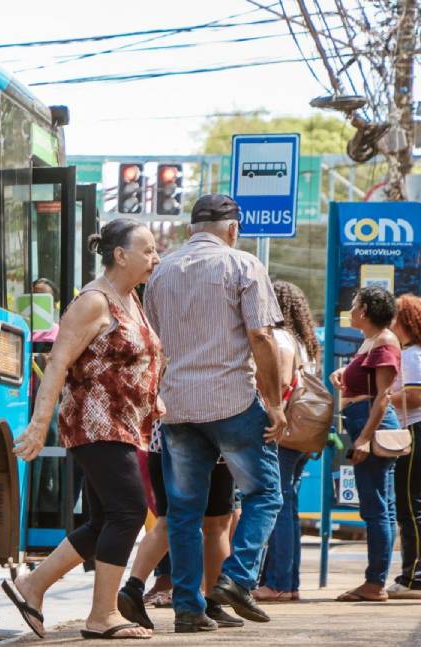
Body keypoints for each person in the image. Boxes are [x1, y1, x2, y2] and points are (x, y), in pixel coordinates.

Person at [7, 218, 162, 640]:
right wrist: (39, 426)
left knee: (102, 521)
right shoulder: (93, 302)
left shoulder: (131, 299)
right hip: (95, 424)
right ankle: (102, 615)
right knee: (128, 511)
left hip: (125, 425)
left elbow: (133, 361)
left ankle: (32, 585)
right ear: (120, 255)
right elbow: (57, 363)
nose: (155, 258)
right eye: (147, 250)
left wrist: (154, 399)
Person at [143, 194, 287, 633]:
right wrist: (276, 403)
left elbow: (155, 344)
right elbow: (261, 337)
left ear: (191, 228)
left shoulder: (161, 271)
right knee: (266, 494)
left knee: (184, 512)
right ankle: (237, 580)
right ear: (233, 229)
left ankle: (188, 608)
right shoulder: (243, 265)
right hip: (231, 402)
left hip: (179, 408)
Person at [119, 422, 242, 629]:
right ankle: (211, 603)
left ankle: (132, 589)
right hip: (213, 441)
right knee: (217, 524)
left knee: (167, 522)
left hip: (163, 441)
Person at [332, 286, 401, 602]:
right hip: (364, 421)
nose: (352, 308)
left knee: (376, 509)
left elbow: (383, 398)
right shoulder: (371, 341)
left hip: (372, 426)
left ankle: (374, 583)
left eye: (356, 304)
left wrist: (364, 438)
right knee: (380, 507)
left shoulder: (385, 341)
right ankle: (375, 580)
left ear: (367, 310)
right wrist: (343, 374)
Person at [254, 281, 322, 602]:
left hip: (282, 432)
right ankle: (289, 582)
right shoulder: (305, 342)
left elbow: (279, 384)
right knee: (289, 505)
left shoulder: (281, 340)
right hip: (302, 434)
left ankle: (278, 582)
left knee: (278, 505)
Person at [387, 294, 421, 599]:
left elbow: (415, 395)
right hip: (413, 427)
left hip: (413, 428)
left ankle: (414, 577)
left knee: (410, 506)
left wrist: (383, 397)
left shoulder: (412, 356)